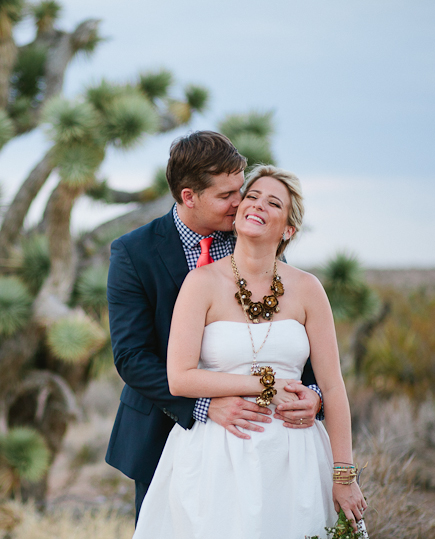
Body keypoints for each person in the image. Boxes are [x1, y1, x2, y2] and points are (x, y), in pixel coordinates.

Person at [106, 165, 393, 539]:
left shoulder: (308, 289)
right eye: (252, 196)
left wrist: (343, 474)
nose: (257, 204)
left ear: (290, 228)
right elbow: (176, 375)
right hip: (217, 452)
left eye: (273, 203)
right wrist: (258, 388)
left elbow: (333, 386)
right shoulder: (199, 283)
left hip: (296, 459)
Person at [105, 131, 323, 518]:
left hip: (258, 437)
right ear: (189, 197)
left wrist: (313, 395)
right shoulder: (134, 253)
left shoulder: (254, 244)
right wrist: (205, 404)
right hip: (163, 428)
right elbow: (132, 356)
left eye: (241, 189)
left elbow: (289, 338)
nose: (241, 203)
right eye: (226, 196)